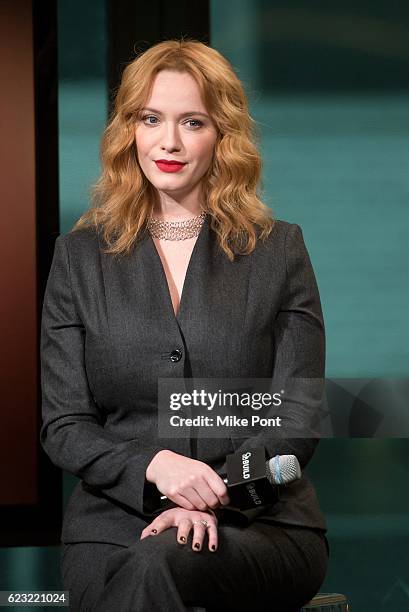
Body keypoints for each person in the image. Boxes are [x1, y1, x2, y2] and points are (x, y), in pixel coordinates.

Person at [40, 38, 329, 612]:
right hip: (112, 527)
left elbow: (295, 424)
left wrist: (211, 496)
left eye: (191, 122)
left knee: (160, 564)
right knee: (136, 569)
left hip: (259, 522)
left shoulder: (278, 251)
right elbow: (65, 426)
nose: (168, 142)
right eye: (151, 119)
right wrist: (153, 465)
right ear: (130, 131)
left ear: (223, 135)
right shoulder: (77, 259)